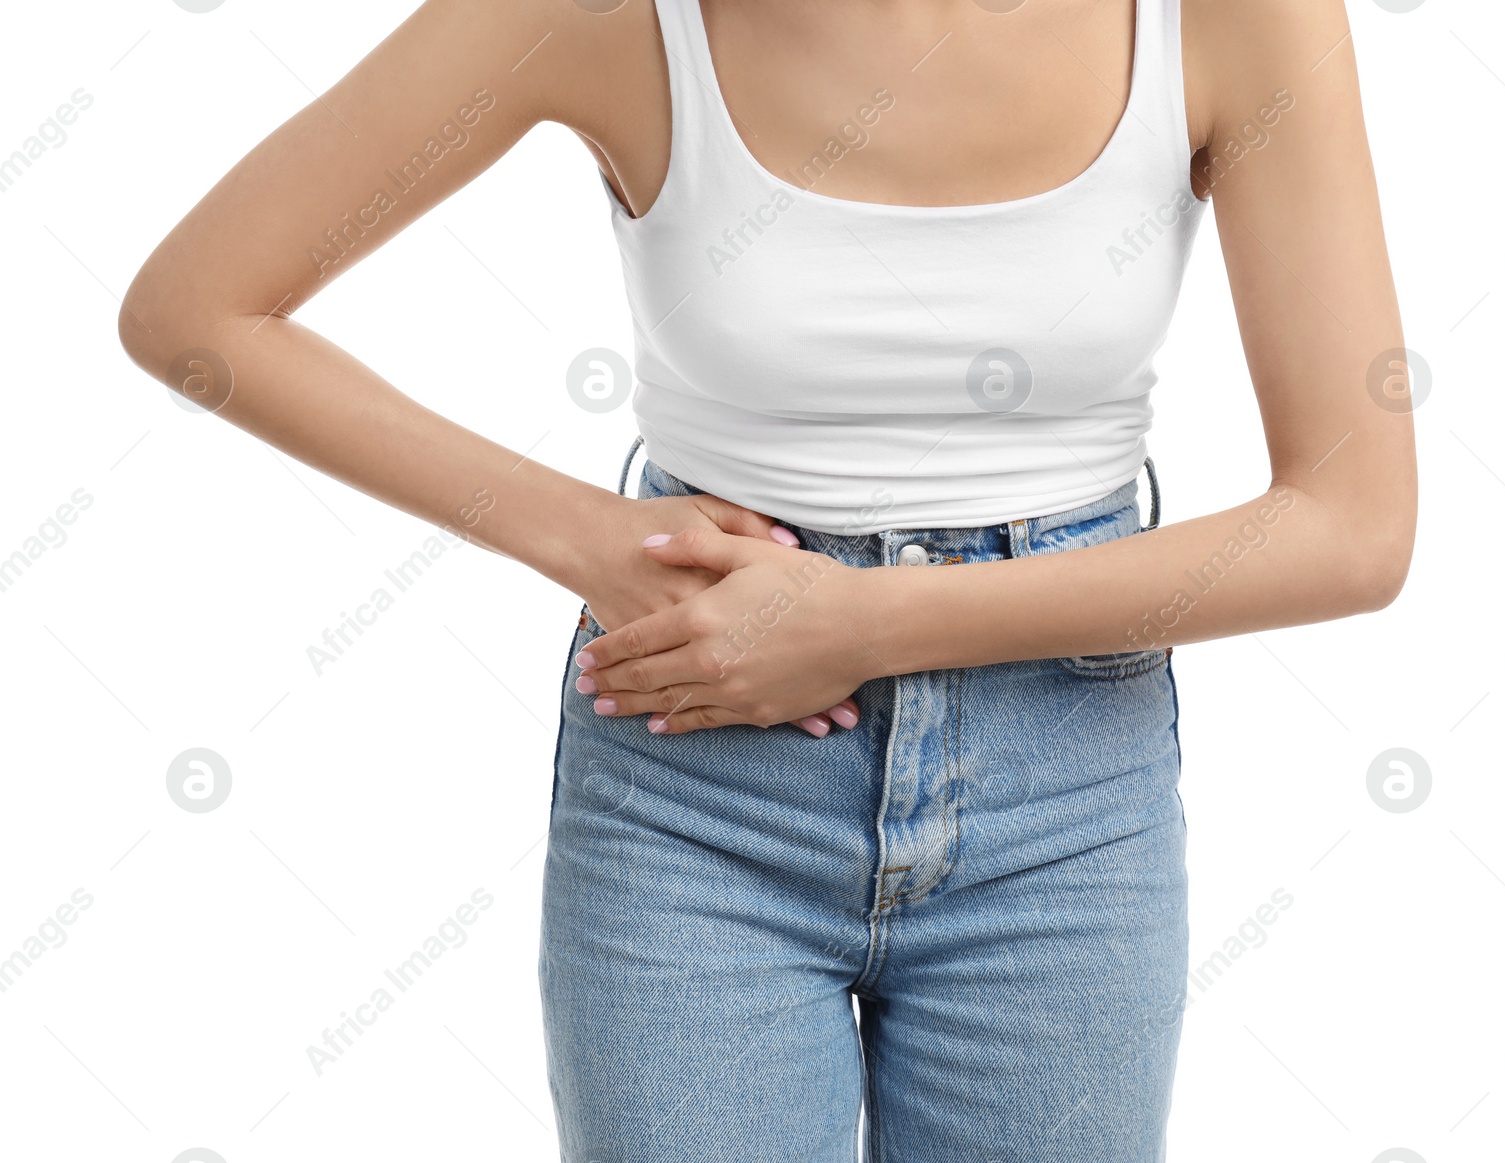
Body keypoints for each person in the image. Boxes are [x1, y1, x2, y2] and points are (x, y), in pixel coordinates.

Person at [118, 0, 1417, 1157]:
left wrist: (868, 623)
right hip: (699, 787)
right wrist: (585, 536)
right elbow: (197, 309)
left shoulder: (1237, 17)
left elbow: (1354, 527)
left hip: (1064, 805)